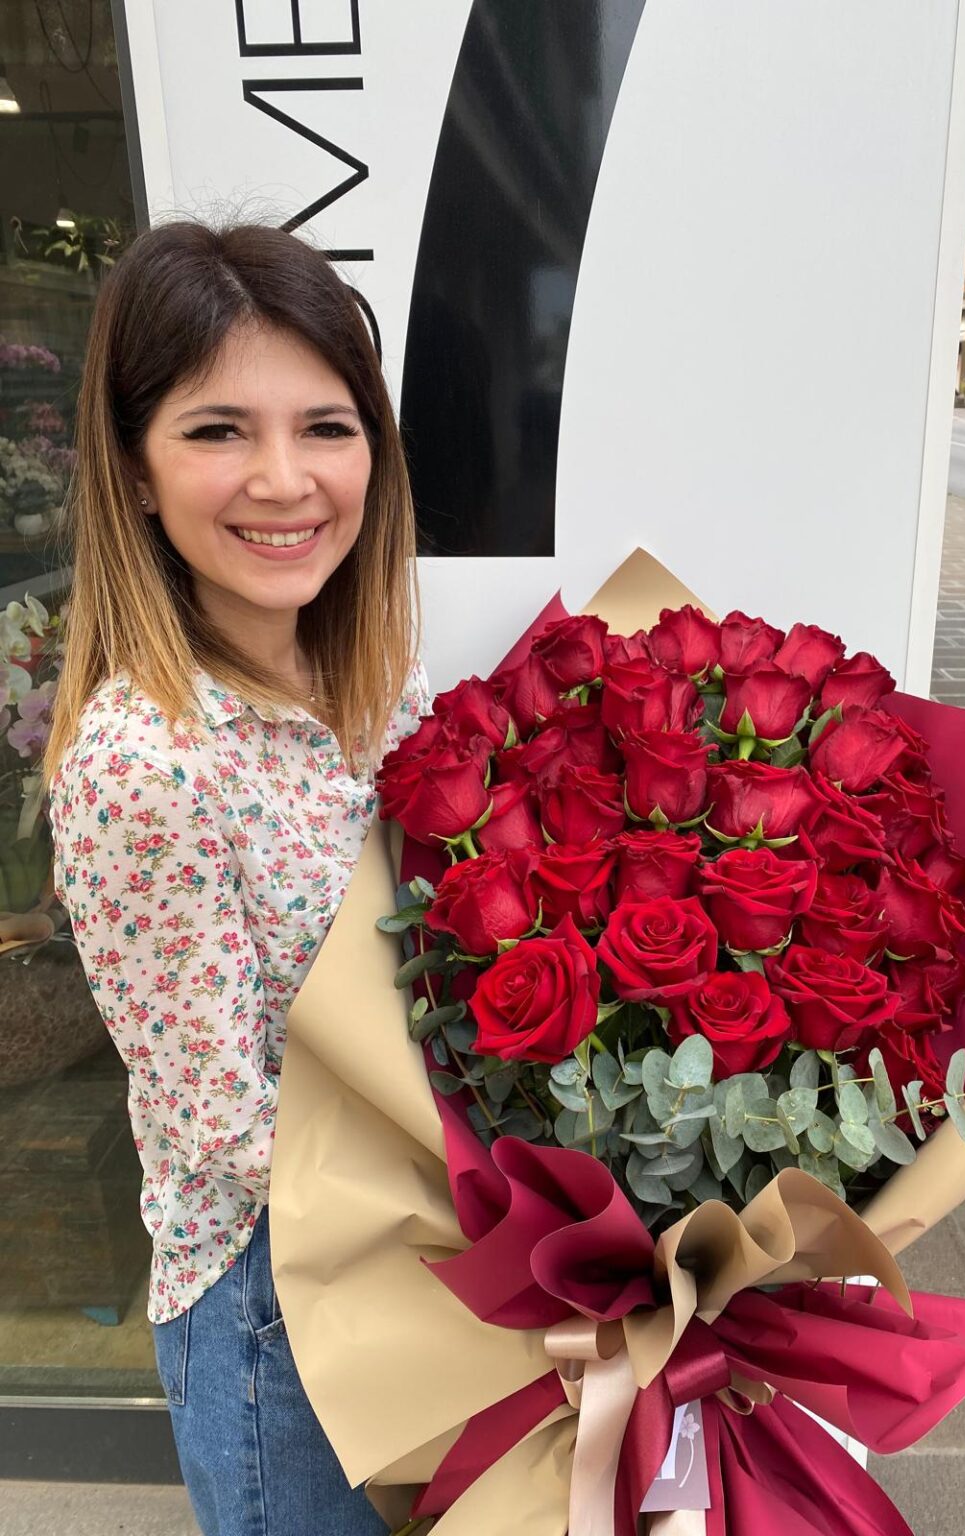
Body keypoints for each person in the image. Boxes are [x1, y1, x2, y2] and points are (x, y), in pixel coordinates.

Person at [44, 222, 430, 1536]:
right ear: (137, 472)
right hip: (282, 1304)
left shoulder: (376, 679)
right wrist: (513, 1212)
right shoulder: (143, 762)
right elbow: (225, 1127)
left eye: (325, 426)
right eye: (217, 431)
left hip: (423, 1256)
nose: (283, 478)